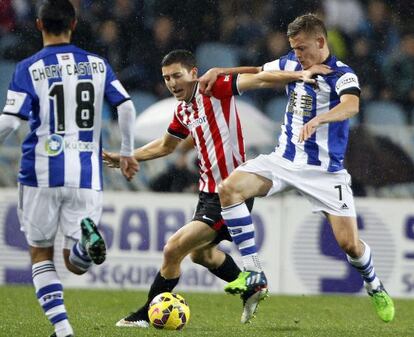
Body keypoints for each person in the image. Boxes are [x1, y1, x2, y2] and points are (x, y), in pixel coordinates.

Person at [103, 49, 329, 327]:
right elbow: (165, 145)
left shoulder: (214, 89)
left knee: (173, 249)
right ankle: (250, 288)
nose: (172, 83)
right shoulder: (184, 110)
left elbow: (257, 79)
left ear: (194, 73)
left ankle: (146, 315)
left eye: (177, 75)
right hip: (207, 194)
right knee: (201, 254)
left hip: (231, 193)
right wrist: (128, 156)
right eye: (166, 78)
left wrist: (299, 75)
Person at [198, 13, 395, 323]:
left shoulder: (342, 75)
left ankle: (374, 284)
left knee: (350, 245)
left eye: (303, 49)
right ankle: (254, 273)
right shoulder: (292, 64)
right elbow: (260, 71)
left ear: (320, 42)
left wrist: (320, 118)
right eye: (295, 49)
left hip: (325, 173)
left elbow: (351, 105)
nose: (298, 55)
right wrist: (221, 70)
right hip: (283, 160)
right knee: (229, 189)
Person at [0, 1, 139, 336]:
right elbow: (127, 107)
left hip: (40, 174)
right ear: (74, 25)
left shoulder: (29, 68)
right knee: (74, 264)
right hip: (86, 174)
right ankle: (83, 244)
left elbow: (9, 121)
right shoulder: (97, 64)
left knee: (41, 255)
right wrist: (127, 153)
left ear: (38, 25)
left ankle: (63, 330)